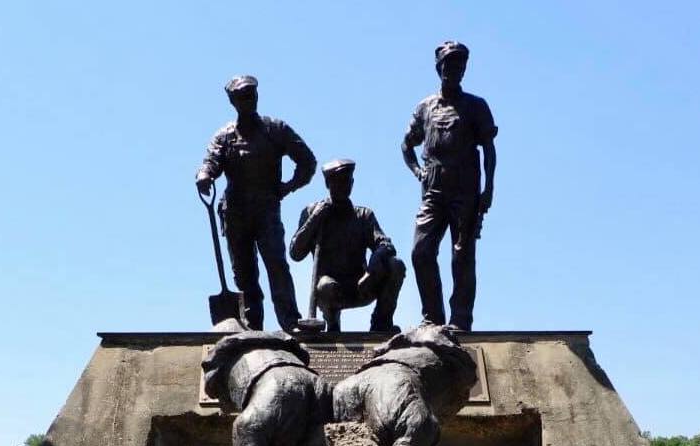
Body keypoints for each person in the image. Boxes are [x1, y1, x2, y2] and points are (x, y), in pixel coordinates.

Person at [196, 75, 316, 332]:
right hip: (236, 213)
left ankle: (290, 321)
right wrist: (204, 175)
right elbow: (211, 161)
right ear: (233, 101)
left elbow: (307, 161)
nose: (248, 100)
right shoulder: (225, 136)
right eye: (242, 96)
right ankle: (252, 324)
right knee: (244, 273)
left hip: (266, 211)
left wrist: (287, 187)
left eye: (251, 94)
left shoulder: (276, 129)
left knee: (276, 265)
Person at [401, 41, 498, 332]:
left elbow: (489, 150)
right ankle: (433, 316)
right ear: (439, 68)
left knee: (462, 255)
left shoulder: (476, 106)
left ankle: (460, 320)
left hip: (465, 191)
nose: (454, 70)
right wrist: (418, 171)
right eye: (449, 64)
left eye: (460, 65)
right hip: (433, 190)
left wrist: (489, 189)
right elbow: (407, 144)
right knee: (421, 251)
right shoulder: (425, 107)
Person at [289, 159, 406, 334]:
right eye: (338, 181)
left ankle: (382, 322)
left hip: (361, 286)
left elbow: (385, 245)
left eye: (347, 181)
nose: (343, 186)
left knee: (396, 265)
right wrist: (315, 219)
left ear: (352, 183)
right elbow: (295, 253)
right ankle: (333, 325)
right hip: (330, 290)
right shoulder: (312, 212)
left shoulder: (363, 215)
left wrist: (371, 271)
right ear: (328, 183)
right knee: (326, 286)